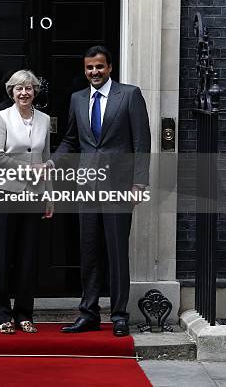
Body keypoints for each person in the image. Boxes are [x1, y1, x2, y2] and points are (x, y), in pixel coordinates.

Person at [54, 45, 151, 337]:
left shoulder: (130, 95)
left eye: (99, 67)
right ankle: (89, 314)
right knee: (90, 251)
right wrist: (51, 162)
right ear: (85, 70)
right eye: (89, 68)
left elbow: (141, 143)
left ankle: (119, 316)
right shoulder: (77, 99)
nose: (94, 72)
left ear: (109, 68)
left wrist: (139, 183)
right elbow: (71, 140)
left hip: (120, 187)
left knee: (117, 252)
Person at [0, 70, 53, 335]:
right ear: (11, 92)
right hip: (5, 192)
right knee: (2, 255)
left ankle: (25, 313)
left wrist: (49, 196)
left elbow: (46, 158)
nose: (24, 93)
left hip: (35, 194)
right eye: (19, 89)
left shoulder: (45, 119)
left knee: (29, 256)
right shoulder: (1, 117)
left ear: (35, 92)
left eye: (29, 88)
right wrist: (28, 170)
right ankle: (2, 315)